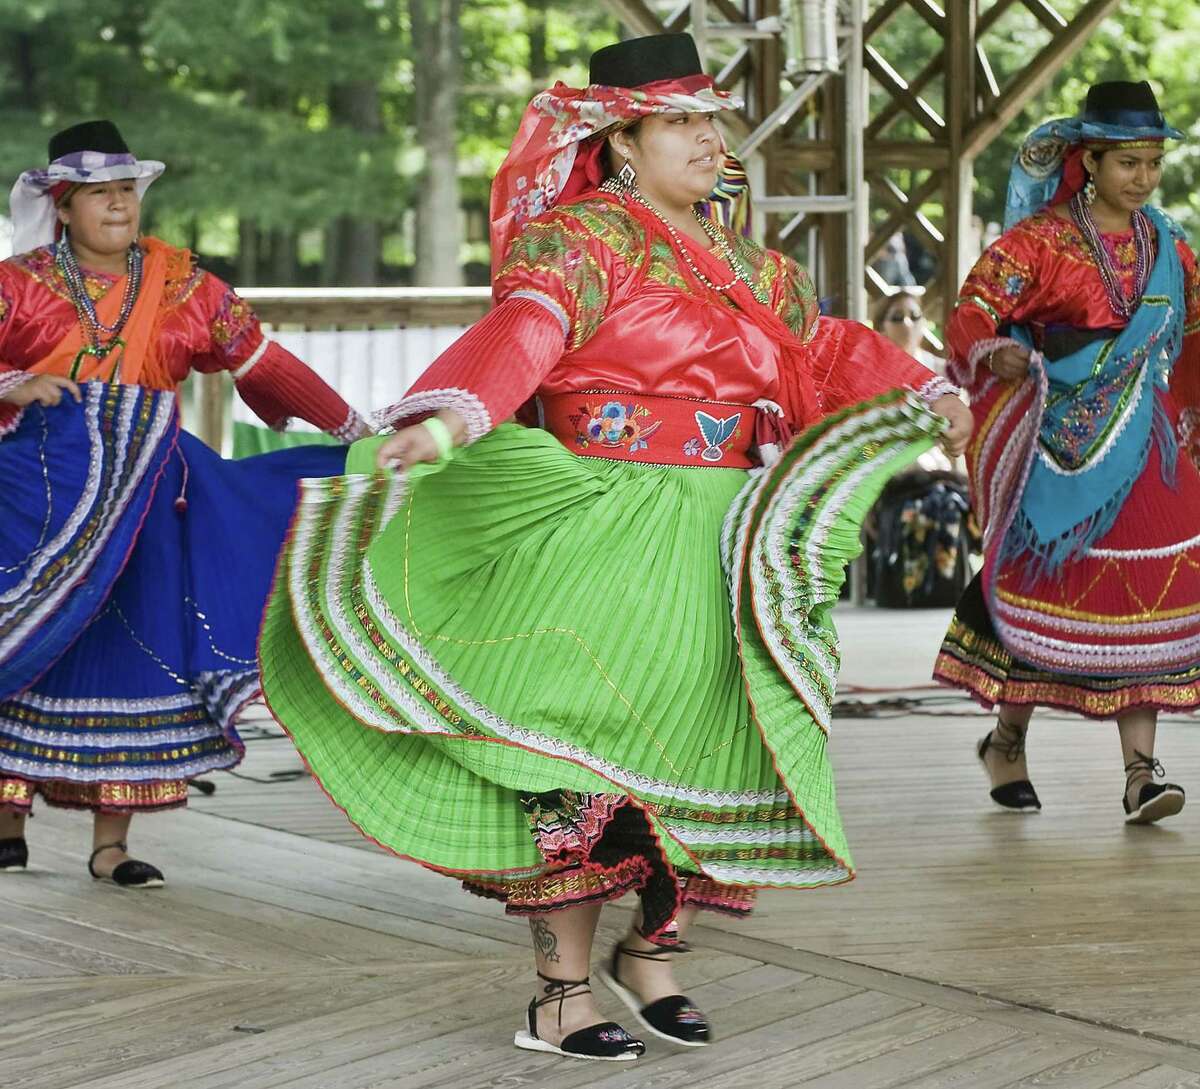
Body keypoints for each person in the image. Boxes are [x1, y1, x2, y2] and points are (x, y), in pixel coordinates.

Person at [259, 33, 971, 1060]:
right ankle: (558, 993)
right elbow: (529, 332)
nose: (705, 137)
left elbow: (823, 348)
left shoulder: (743, 259)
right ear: (622, 140)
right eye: (678, 119)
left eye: (710, 119)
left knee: (717, 746)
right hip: (606, 522)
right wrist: (457, 416)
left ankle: (651, 955)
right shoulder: (579, 240)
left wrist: (925, 390)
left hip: (724, 535)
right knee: (579, 753)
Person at [0, 120, 370, 885]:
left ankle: (112, 845)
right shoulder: (19, 285)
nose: (118, 206)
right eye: (99, 194)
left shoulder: (188, 289)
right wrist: (12, 384)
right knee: (36, 641)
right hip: (39, 494)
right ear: (63, 205)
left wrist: (356, 430)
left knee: (141, 649)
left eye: (127, 191)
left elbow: (264, 362)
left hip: (149, 496)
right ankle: (8, 818)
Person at [932, 81, 1200, 824]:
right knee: (1046, 589)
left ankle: (1140, 774)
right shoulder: (1040, 242)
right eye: (1128, 163)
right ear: (1089, 160)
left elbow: (1198, 333)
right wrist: (991, 352)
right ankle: (1008, 742)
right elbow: (974, 308)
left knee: (1151, 589)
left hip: (1150, 438)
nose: (1143, 178)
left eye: (1152, 162)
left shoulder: (1169, 246)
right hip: (1061, 442)